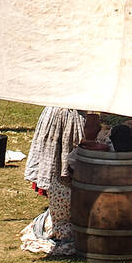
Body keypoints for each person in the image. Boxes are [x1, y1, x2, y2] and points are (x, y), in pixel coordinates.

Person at [20, 106, 90, 255]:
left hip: (74, 115)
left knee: (70, 164)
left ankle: (67, 211)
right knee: (57, 164)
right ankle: (60, 215)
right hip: (60, 116)